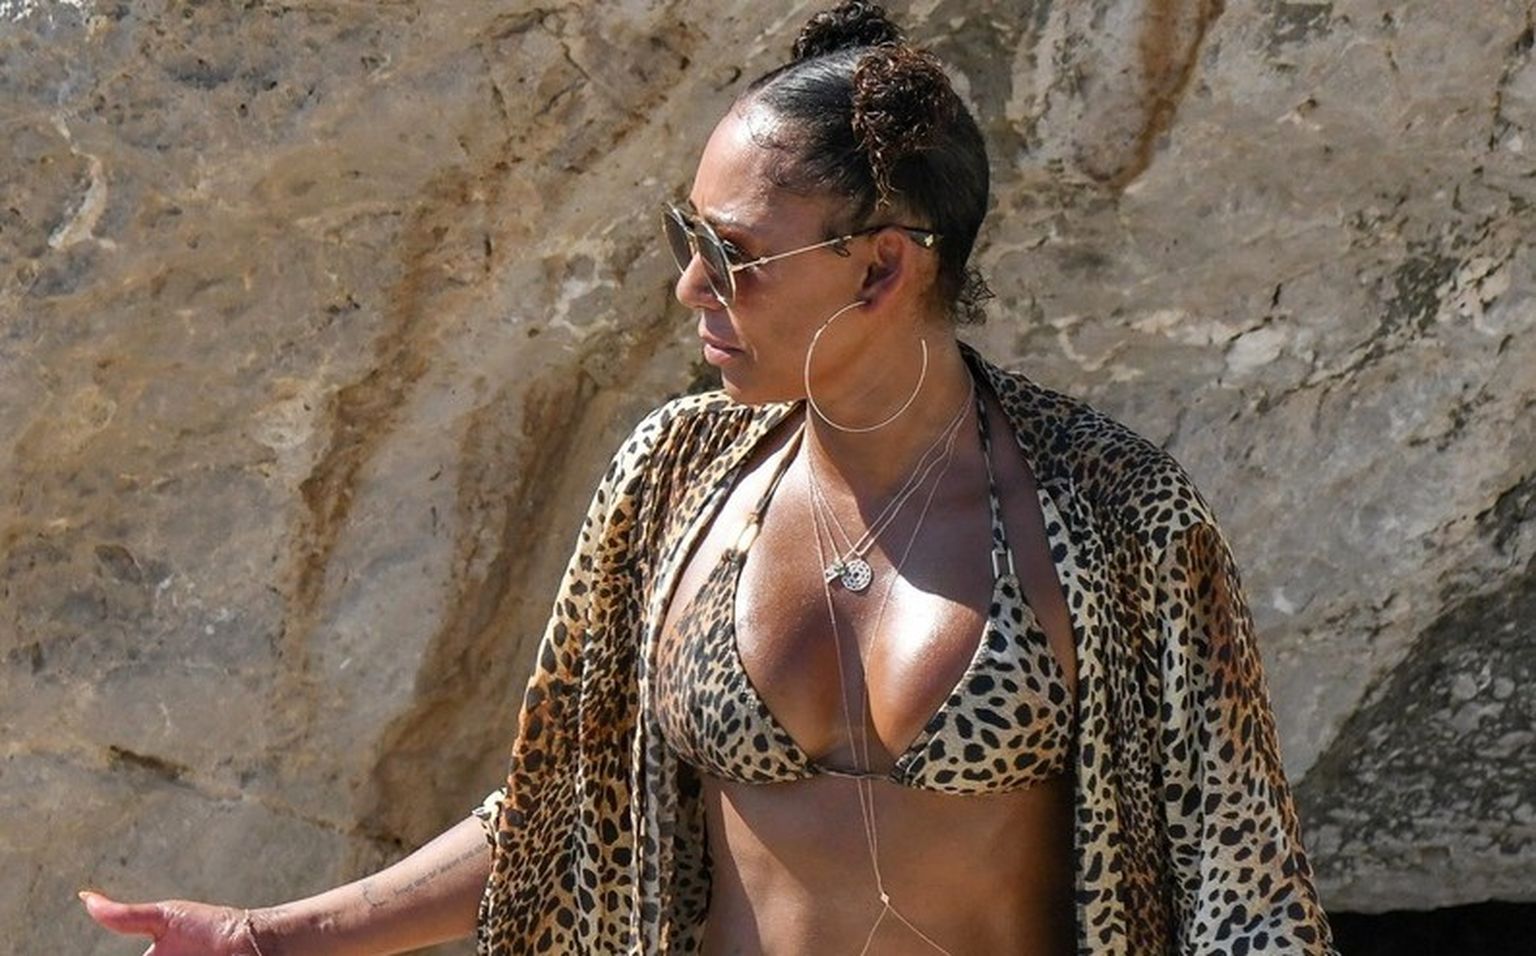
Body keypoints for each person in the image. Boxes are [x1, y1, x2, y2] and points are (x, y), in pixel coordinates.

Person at [83, 3, 1337, 953]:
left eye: (730, 253)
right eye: (685, 237)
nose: (690, 285)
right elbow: (569, 806)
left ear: (881, 268)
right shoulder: (671, 479)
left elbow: (1245, 886)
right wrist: (271, 936)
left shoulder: (1113, 514)